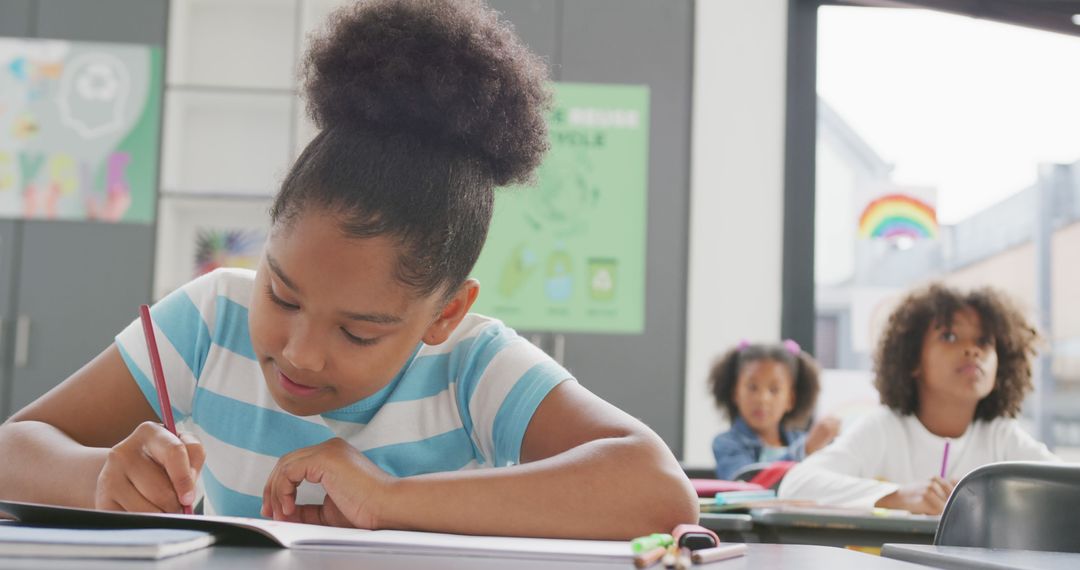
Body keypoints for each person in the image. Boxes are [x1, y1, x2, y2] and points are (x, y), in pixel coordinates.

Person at [0, 0, 696, 540]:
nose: (299, 352)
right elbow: (13, 448)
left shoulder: (472, 366)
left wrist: (389, 500)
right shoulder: (211, 321)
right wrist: (100, 477)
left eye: (360, 332)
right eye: (282, 291)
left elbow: (658, 489)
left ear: (445, 314)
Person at [778, 284, 1059, 514]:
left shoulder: (1002, 436)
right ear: (913, 360)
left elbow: (1068, 489)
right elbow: (796, 485)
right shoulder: (884, 429)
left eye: (984, 342)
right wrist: (898, 496)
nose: (972, 350)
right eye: (949, 336)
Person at [709, 340, 839, 480]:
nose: (762, 399)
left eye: (774, 390)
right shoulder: (727, 443)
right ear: (735, 393)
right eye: (752, 387)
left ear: (790, 400)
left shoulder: (801, 439)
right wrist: (804, 450)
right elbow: (748, 483)